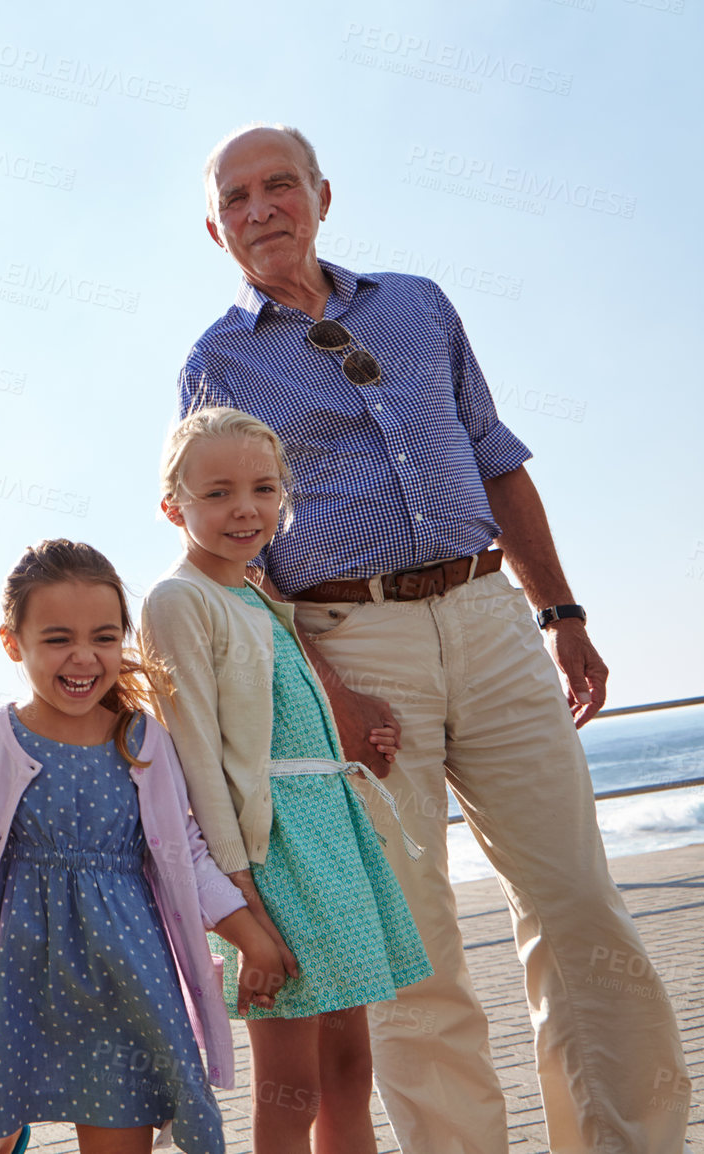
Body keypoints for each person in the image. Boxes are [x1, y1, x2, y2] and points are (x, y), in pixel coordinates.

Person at [178, 122, 690, 1152]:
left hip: (492, 616)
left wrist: (562, 610)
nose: (261, 208)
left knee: (582, 905)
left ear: (323, 193)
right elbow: (237, 558)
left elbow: (495, 457)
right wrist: (329, 691)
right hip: (350, 641)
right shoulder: (214, 361)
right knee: (410, 949)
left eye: (279, 185)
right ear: (214, 226)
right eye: (237, 197)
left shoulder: (416, 304)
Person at [0, 539, 285, 1154]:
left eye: (105, 637)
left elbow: (186, 855)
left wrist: (251, 936)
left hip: (126, 988)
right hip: (12, 990)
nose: (83, 657)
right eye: (58, 639)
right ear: (13, 643)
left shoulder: (143, 741)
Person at [141, 406, 433, 1153]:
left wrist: (351, 739)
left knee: (349, 1066)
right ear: (173, 507)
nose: (246, 507)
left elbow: (287, 713)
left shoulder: (260, 591)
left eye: (264, 488)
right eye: (218, 493)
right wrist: (240, 891)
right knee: (291, 1084)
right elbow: (198, 753)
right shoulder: (178, 600)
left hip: (332, 835)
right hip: (271, 855)